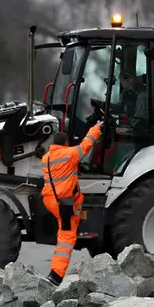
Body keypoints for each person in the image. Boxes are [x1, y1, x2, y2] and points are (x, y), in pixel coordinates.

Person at [41, 120, 103, 285]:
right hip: (65, 203)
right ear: (66, 143)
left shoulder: (46, 158)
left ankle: (56, 273)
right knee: (67, 236)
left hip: (50, 200)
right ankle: (55, 275)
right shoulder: (70, 154)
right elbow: (87, 143)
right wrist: (96, 128)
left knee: (65, 227)